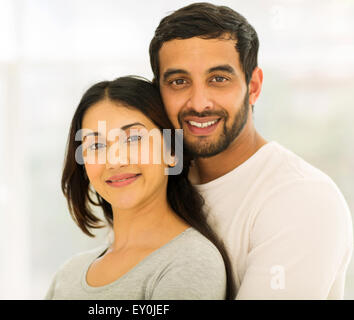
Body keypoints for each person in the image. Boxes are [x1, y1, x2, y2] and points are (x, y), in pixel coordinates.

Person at [149, 2, 353, 299]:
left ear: (253, 86)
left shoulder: (301, 198)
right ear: (159, 92)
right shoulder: (157, 184)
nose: (199, 102)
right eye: (179, 82)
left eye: (218, 79)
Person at [45, 76, 235, 300]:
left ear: (172, 151)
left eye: (134, 138)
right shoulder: (67, 276)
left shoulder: (190, 262)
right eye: (96, 145)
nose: (114, 161)